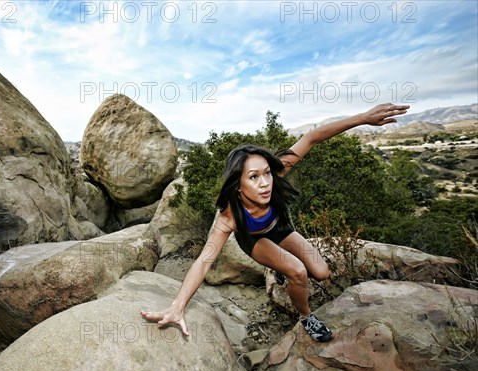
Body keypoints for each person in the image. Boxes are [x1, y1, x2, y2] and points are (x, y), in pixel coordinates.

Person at [141, 103, 409, 342]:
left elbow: (312, 137)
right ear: (238, 185)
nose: (266, 182)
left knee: (322, 273)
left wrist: (362, 118)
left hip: (281, 230)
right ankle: (306, 317)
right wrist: (177, 305)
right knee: (298, 272)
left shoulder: (278, 172)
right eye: (254, 177)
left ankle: (279, 270)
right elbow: (204, 261)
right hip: (255, 240)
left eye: (267, 173)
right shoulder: (229, 216)